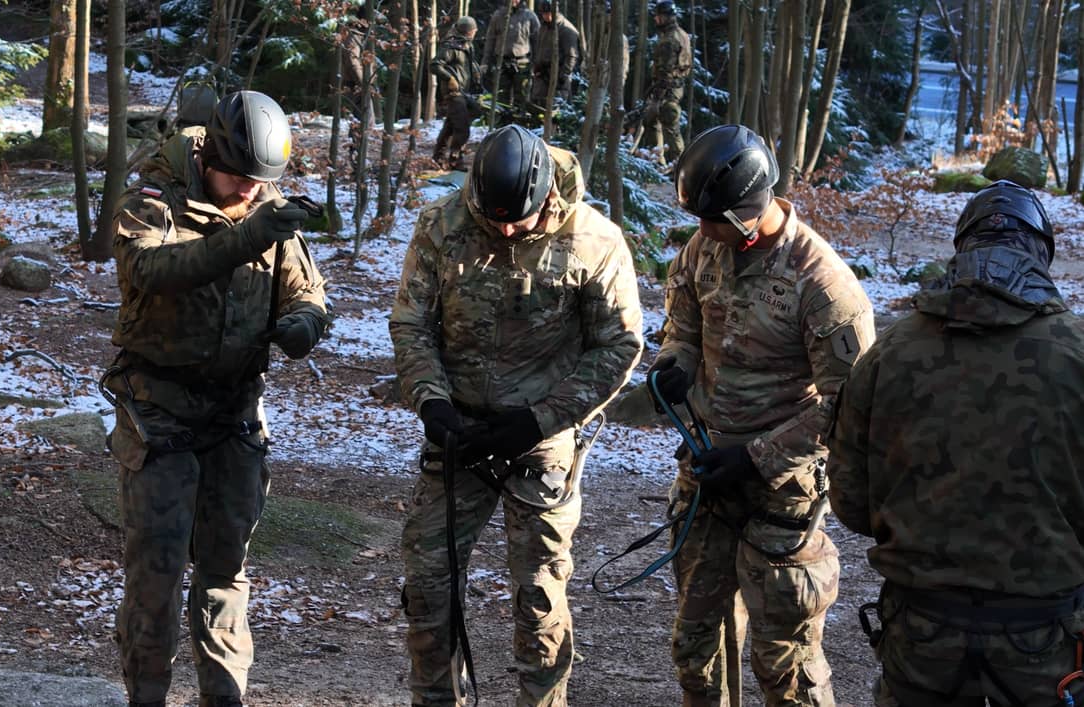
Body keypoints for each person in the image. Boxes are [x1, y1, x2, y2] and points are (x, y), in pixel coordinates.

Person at [390, 124, 644, 706]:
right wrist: (431, 400)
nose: (505, 232)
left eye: (518, 221)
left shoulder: (594, 240)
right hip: (459, 431)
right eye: (493, 219)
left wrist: (540, 420)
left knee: (539, 595)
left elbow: (618, 346)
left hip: (541, 438)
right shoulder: (441, 226)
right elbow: (411, 323)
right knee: (428, 584)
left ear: (547, 195)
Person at [103, 90, 330, 707]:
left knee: (225, 572)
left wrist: (304, 323)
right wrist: (247, 237)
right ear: (212, 158)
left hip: (235, 414)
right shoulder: (153, 198)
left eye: (262, 182)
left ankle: (224, 699)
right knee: (156, 575)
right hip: (159, 413)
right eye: (241, 178)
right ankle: (147, 696)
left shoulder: (265, 204)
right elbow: (150, 271)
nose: (251, 191)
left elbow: (307, 291)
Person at [827, 181, 1084, 707]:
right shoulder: (1077, 353)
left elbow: (850, 502)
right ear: (1041, 254)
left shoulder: (889, 352)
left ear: (962, 248)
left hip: (921, 631)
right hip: (1046, 634)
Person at [649, 124, 875, 706]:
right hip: (705, 473)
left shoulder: (822, 283)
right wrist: (676, 364)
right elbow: (683, 329)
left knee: (786, 662)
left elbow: (849, 407)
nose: (702, 232)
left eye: (714, 220)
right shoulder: (704, 248)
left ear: (749, 214)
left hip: (781, 489)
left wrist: (756, 458)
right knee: (697, 648)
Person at [639, 0, 692, 166]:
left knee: (667, 124)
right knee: (654, 120)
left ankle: (677, 164)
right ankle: (660, 161)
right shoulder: (681, 34)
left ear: (665, 17)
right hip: (675, 87)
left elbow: (665, 69)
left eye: (658, 16)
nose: (655, 19)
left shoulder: (669, 39)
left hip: (667, 89)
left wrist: (657, 94)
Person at [431, 16, 481, 171]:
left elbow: (465, 66)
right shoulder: (451, 46)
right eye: (474, 30)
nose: (475, 32)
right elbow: (434, 65)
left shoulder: (467, 45)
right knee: (462, 128)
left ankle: (438, 158)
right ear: (469, 31)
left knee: (451, 125)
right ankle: (455, 159)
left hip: (464, 91)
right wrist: (450, 78)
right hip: (453, 93)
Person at [481, 0, 540, 117]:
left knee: (522, 98)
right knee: (501, 98)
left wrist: (536, 64)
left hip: (522, 63)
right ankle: (502, 123)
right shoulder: (498, 15)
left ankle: (520, 122)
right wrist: (485, 62)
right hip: (502, 62)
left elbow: (537, 42)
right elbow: (490, 41)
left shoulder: (530, 16)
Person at [529, 0, 583, 105]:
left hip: (558, 76)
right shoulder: (543, 27)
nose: (546, 16)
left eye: (548, 13)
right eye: (544, 13)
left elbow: (572, 56)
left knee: (557, 107)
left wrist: (562, 76)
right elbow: (539, 48)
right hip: (542, 75)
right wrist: (536, 65)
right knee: (537, 105)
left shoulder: (567, 29)